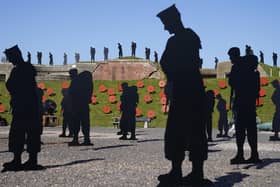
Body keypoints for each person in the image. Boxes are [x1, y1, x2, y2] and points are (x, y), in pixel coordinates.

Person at [157, 4, 208, 185]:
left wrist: (173, 74)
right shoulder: (188, 37)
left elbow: (169, 62)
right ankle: (181, 170)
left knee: (190, 129)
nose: (165, 27)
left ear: (173, 20)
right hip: (188, 87)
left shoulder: (182, 39)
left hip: (187, 88)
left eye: (166, 23)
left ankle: (194, 171)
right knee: (178, 130)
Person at [3, 45, 43, 171]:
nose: (9, 60)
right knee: (31, 133)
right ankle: (31, 160)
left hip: (22, 107)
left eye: (10, 57)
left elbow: (10, 85)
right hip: (30, 106)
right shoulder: (28, 68)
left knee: (18, 132)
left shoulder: (19, 70)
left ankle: (18, 160)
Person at [228, 46, 261, 164]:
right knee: (251, 129)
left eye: (231, 56)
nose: (230, 59)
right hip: (250, 102)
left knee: (240, 130)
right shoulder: (250, 67)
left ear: (234, 55)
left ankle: (240, 154)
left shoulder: (236, 67)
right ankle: (254, 154)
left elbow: (231, 82)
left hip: (241, 102)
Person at [68, 70, 93, 146]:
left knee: (76, 122)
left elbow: (71, 93)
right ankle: (87, 139)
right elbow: (90, 92)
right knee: (85, 122)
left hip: (76, 105)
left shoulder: (75, 81)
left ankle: (75, 139)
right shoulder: (88, 82)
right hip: (84, 104)